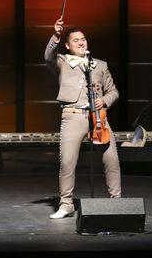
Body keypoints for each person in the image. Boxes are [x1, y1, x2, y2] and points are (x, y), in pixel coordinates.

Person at [45, 17, 121, 219]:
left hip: (98, 118)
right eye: (76, 40)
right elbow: (48, 55)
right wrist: (56, 35)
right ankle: (66, 203)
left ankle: (117, 202)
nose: (81, 42)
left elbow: (114, 91)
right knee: (67, 162)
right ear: (68, 45)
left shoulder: (100, 65)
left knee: (111, 159)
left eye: (83, 39)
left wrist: (104, 100)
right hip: (73, 116)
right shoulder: (62, 61)